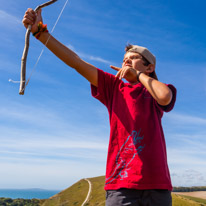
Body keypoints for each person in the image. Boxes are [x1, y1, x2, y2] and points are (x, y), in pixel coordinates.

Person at [22, 8, 177, 206]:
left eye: (134, 57)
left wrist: (138, 76)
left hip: (157, 186)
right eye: (124, 59)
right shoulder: (114, 87)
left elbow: (164, 97)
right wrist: (40, 33)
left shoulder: (155, 91)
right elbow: (76, 62)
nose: (126, 60)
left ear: (150, 67)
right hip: (120, 186)